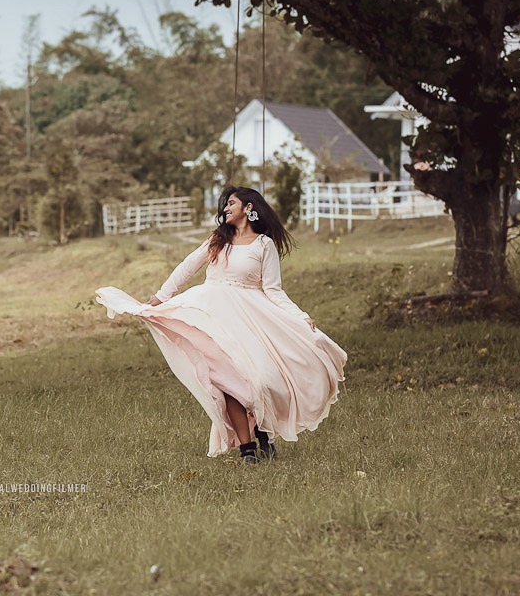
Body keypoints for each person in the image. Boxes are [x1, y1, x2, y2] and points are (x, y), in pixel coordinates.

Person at [95, 186, 346, 464]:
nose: (225, 208)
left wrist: (299, 316)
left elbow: (274, 290)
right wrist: (159, 298)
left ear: (249, 208)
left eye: (231, 203)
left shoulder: (264, 245)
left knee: (260, 379)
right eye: (225, 204)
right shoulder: (218, 239)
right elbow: (187, 267)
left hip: (249, 317)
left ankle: (264, 433)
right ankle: (247, 450)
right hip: (212, 313)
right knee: (227, 381)